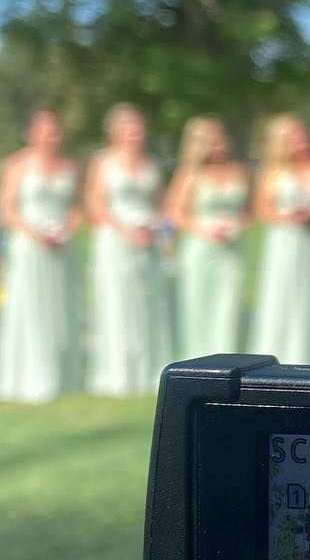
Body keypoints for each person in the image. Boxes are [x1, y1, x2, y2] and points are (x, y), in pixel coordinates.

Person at [85, 103, 171, 395]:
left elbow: (160, 204)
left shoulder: (151, 164)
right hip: (115, 240)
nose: (136, 133)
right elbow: (96, 204)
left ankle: (149, 368)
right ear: (115, 131)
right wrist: (125, 232)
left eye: (139, 127)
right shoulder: (103, 162)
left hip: (148, 241)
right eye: (129, 128)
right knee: (119, 302)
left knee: (149, 302)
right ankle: (119, 372)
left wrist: (154, 228)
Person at [0, 109, 82, 403]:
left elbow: (77, 207)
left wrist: (67, 229)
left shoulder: (70, 166)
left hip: (62, 245)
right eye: (46, 130)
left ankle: (64, 375)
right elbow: (8, 209)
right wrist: (36, 235)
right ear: (32, 133)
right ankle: (33, 376)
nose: (52, 135)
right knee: (32, 307)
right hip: (30, 245)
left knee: (61, 308)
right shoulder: (17, 165)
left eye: (55, 130)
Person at [166, 116, 250, 357]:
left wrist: (237, 226)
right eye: (210, 139)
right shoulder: (189, 174)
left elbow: (250, 211)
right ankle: (199, 364)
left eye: (220, 137)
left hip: (232, 249)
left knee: (229, 308)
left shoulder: (239, 172)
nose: (217, 144)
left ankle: (229, 360)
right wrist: (205, 230)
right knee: (198, 306)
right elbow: (174, 212)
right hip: (200, 248)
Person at [252, 115, 310, 364]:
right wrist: (290, 217)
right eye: (292, 136)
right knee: (285, 294)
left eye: (301, 132)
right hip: (285, 241)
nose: (300, 139)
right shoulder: (273, 174)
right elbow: (262, 210)